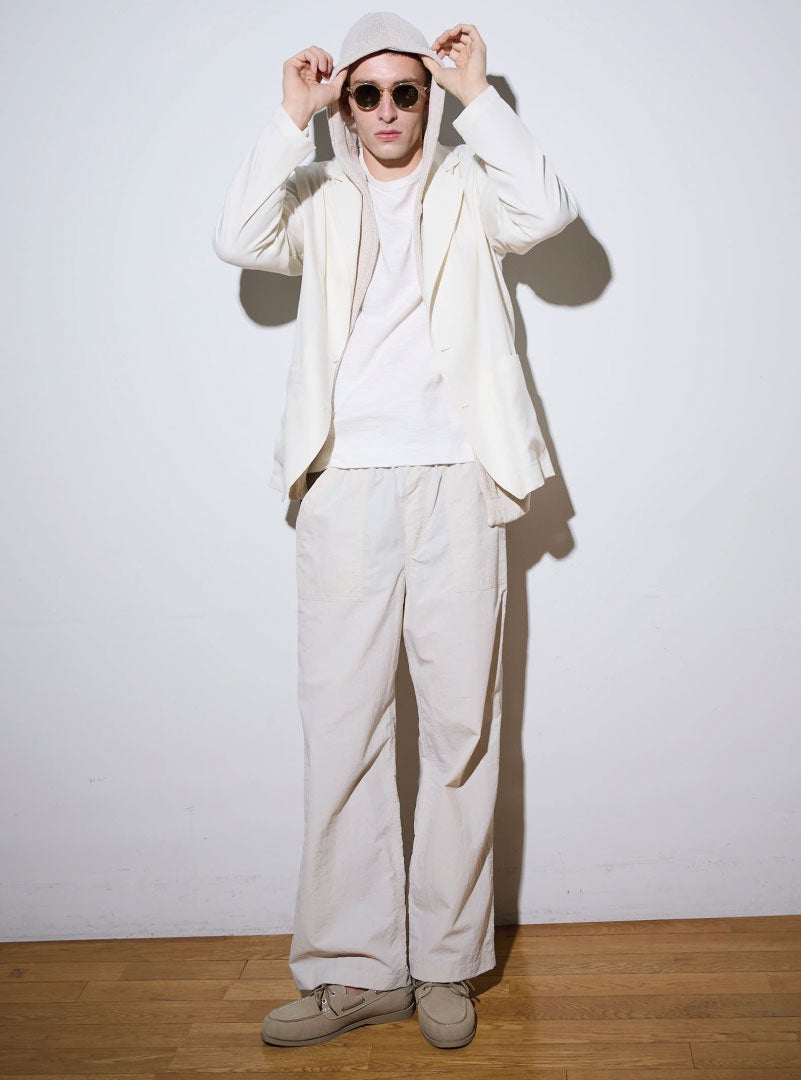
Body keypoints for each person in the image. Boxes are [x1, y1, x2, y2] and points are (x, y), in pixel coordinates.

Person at [213, 11, 578, 1050]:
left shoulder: (468, 187)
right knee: (343, 728)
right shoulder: (318, 197)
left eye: (403, 92)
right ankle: (355, 969)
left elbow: (547, 211)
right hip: (344, 487)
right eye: (364, 92)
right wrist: (291, 115)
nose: (385, 110)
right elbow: (237, 238)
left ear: (425, 99)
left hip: (459, 479)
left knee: (461, 727)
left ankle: (448, 961)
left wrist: (478, 95)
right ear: (346, 104)